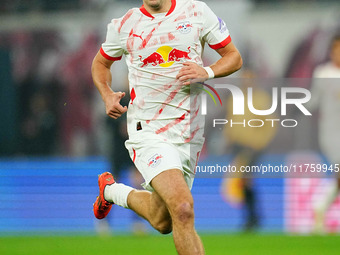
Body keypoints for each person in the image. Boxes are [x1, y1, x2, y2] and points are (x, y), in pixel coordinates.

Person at [92, 0, 242, 254]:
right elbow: (100, 64)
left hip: (189, 134)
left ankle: (111, 191)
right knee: (183, 208)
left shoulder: (196, 12)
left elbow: (234, 57)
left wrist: (207, 71)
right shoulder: (125, 25)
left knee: (163, 221)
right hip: (148, 131)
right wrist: (106, 94)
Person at [310, 35, 340, 233]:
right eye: (336, 49)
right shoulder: (323, 73)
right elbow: (312, 101)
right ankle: (319, 208)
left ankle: (319, 208)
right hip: (332, 134)